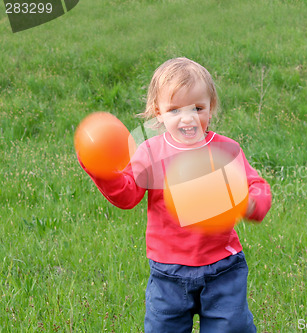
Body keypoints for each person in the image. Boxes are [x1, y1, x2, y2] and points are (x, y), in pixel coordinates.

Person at [78, 57, 272, 332]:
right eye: (175, 110)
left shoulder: (226, 150)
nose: (188, 117)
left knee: (231, 328)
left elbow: (257, 186)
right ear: (158, 112)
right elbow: (127, 196)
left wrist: (253, 203)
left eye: (198, 108)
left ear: (211, 108)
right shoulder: (150, 153)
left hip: (223, 268)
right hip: (168, 272)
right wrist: (104, 172)